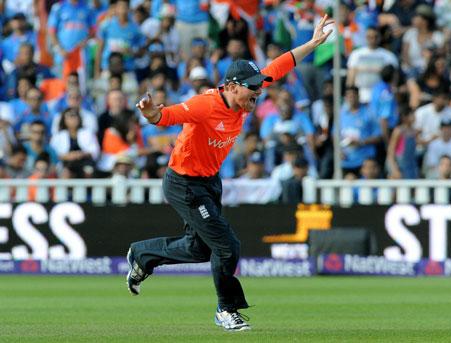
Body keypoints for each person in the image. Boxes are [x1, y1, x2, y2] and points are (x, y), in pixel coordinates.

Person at [126, 15, 334, 332]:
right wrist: (153, 113)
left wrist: (313, 42)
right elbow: (169, 115)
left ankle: (142, 254)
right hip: (183, 183)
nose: (258, 93)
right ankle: (226, 310)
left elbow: (280, 66)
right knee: (227, 246)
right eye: (251, 89)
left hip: (209, 182)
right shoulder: (204, 105)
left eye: (258, 88)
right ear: (232, 87)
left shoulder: (245, 92)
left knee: (199, 249)